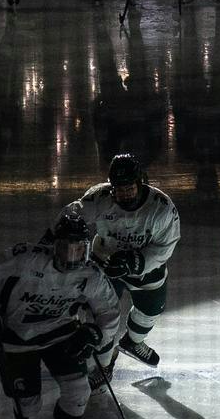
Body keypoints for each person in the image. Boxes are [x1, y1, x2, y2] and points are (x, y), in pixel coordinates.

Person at [0, 205, 124, 419]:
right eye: (66, 247)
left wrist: (95, 333)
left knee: (79, 390)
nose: (72, 255)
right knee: (28, 406)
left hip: (60, 332)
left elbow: (108, 310)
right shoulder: (27, 258)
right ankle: (25, 403)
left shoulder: (90, 275)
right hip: (17, 337)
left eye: (79, 248)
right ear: (53, 245)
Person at [66, 153, 182, 367]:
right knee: (99, 319)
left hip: (147, 267)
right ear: (112, 188)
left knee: (150, 311)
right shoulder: (99, 198)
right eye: (119, 190)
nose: (125, 195)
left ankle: (133, 342)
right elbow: (72, 216)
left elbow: (166, 245)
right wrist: (62, 234)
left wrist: (137, 262)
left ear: (141, 183)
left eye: (130, 188)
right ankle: (104, 363)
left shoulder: (161, 207)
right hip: (104, 263)